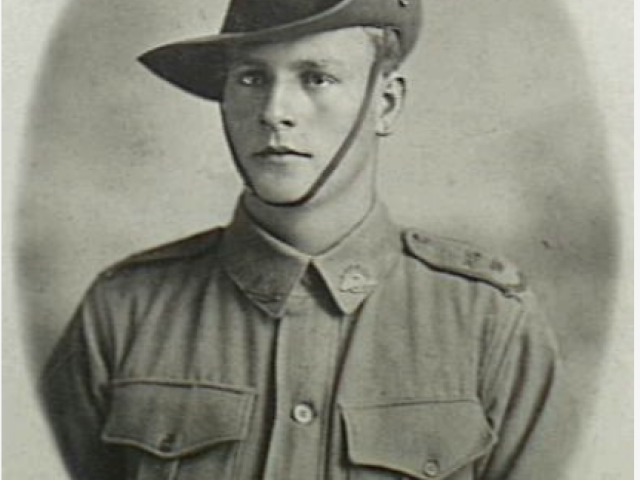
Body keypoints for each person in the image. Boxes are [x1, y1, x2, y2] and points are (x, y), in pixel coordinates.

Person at [40, 0, 562, 479]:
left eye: (315, 77)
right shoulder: (124, 311)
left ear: (385, 104)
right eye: (250, 78)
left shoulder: (489, 324)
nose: (274, 111)